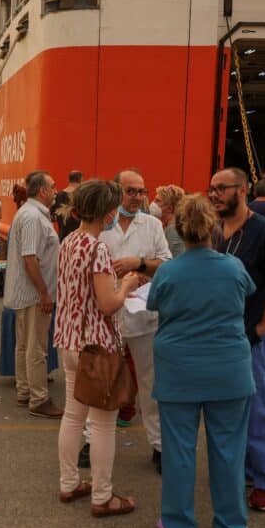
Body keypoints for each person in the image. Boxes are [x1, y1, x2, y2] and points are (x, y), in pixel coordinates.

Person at [149, 194, 255, 528]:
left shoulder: (168, 271)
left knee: (179, 451)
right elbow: (246, 298)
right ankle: (231, 526)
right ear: (213, 227)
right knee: (228, 451)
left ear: (178, 229)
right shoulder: (234, 267)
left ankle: (179, 526)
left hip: (179, 369)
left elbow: (155, 304)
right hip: (229, 368)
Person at [210, 167, 265, 512]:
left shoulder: (264, 232)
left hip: (252, 337)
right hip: (221, 337)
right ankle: (246, 469)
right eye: (212, 188)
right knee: (229, 410)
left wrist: (264, 324)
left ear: (242, 190)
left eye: (222, 188)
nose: (214, 194)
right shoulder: (216, 232)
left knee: (260, 410)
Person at [55, 179, 140, 518]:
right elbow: (107, 304)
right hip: (97, 346)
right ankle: (103, 496)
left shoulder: (69, 242)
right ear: (108, 214)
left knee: (73, 415)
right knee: (103, 423)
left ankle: (69, 482)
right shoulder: (98, 248)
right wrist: (128, 285)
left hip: (70, 341)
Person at [100, 168, 173, 473]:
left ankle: (158, 446)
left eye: (141, 191)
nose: (137, 197)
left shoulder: (152, 225)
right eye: (131, 191)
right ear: (117, 191)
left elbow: (167, 263)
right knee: (102, 381)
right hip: (108, 314)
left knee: (151, 383)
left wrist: (140, 265)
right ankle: (93, 440)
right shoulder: (102, 225)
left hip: (144, 314)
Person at [3, 171, 62, 418]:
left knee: (25, 345)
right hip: (33, 295)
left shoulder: (29, 214)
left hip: (26, 293)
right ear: (43, 191)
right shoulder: (33, 218)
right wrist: (44, 293)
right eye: (53, 186)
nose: (56, 190)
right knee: (36, 347)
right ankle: (38, 398)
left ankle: (25, 391)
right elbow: (30, 258)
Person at [154, 184, 186, 257]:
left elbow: (175, 260)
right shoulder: (172, 227)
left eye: (157, 201)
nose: (153, 204)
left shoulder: (173, 230)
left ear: (169, 208)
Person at [52, 170, 83, 242]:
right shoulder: (81, 196)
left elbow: (53, 217)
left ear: (68, 180)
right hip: (78, 239)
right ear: (81, 180)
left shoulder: (58, 196)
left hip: (62, 238)